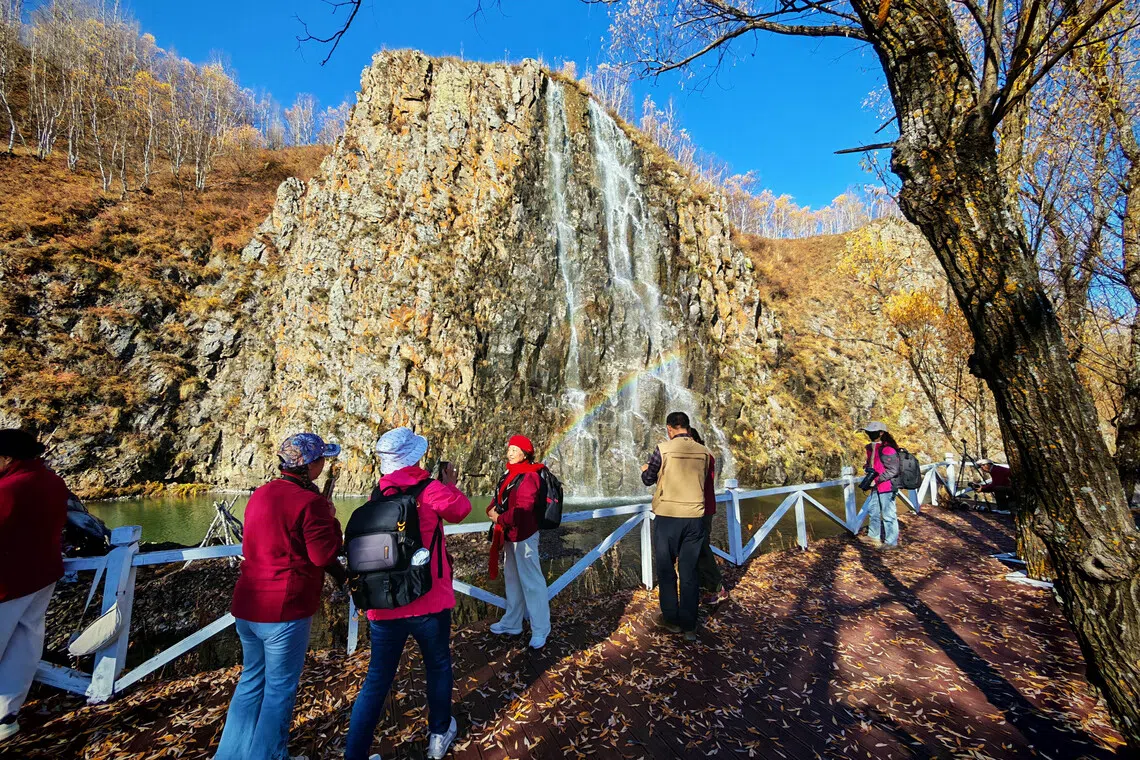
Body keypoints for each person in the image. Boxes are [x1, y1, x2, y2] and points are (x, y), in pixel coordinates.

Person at [345, 427, 472, 760]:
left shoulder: (377, 495)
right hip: (429, 602)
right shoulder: (429, 489)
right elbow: (461, 510)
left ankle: (355, 754)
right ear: (415, 457)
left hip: (385, 606)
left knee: (376, 681)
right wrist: (448, 483)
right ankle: (439, 735)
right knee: (438, 666)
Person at [215, 432, 344, 760]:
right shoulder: (310, 502)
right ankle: (269, 755)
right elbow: (322, 555)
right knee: (278, 690)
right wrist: (332, 522)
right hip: (283, 609)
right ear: (310, 465)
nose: (324, 464)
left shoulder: (260, 494)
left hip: (248, 604)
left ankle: (231, 754)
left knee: (251, 681)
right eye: (321, 459)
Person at [0, 430, 69, 742]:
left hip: (6, 582)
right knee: (24, 647)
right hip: (42, 577)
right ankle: (6, 716)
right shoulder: (54, 482)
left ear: (8, 458)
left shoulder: (8, 489)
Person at [641, 411, 714, 642]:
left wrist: (645, 470)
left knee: (666, 569)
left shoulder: (662, 449)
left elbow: (648, 479)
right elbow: (705, 480)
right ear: (688, 428)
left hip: (668, 516)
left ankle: (671, 620)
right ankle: (690, 626)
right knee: (689, 572)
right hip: (694, 518)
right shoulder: (706, 452)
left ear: (669, 428)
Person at [486, 435, 551, 650]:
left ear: (525, 453)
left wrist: (499, 518)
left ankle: (541, 628)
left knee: (532, 583)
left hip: (524, 534)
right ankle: (513, 622)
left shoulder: (530, 475)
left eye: (516, 449)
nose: (510, 452)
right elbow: (501, 498)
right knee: (513, 580)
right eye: (510, 448)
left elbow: (524, 508)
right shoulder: (510, 473)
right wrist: (491, 509)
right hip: (510, 535)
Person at [687, 428, 727, 607]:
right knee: (700, 546)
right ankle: (704, 583)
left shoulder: (703, 456)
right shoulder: (705, 455)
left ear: (694, 439)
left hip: (701, 507)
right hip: (701, 507)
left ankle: (717, 587)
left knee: (701, 547)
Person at [858, 421, 901, 550]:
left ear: (881, 433)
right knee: (873, 510)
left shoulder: (888, 449)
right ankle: (873, 535)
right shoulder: (872, 448)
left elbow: (893, 470)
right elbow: (873, 464)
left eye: (872, 432)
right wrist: (867, 468)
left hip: (886, 486)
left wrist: (877, 479)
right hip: (876, 485)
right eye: (868, 432)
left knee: (888, 514)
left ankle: (891, 542)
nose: (869, 434)